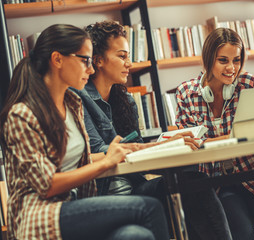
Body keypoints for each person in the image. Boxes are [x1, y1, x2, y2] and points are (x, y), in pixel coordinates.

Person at [0, 24, 169, 240]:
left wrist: (163, 143)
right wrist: (106, 162)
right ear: (58, 59)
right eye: (85, 60)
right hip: (38, 216)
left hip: (74, 207)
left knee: (134, 235)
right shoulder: (22, 114)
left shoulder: (73, 104)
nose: (90, 69)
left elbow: (86, 159)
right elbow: (47, 185)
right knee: (148, 208)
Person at [73, 20, 232, 240]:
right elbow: (103, 151)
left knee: (194, 181)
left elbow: (139, 151)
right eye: (122, 56)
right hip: (107, 196)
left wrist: (171, 142)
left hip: (135, 187)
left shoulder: (126, 100)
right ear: (98, 60)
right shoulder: (79, 98)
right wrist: (166, 144)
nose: (129, 63)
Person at [175, 27, 254, 240]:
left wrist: (213, 141)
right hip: (218, 184)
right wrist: (238, 135)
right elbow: (190, 144)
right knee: (242, 234)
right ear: (209, 60)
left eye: (236, 60)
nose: (231, 68)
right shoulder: (186, 94)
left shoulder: (249, 84)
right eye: (223, 60)